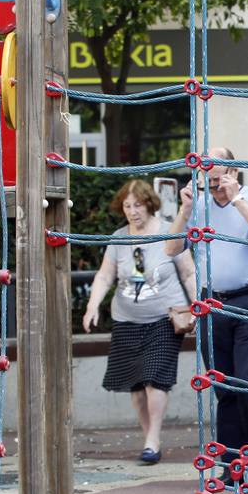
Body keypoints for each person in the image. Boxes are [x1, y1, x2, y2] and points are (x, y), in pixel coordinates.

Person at [164, 147, 248, 474]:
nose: (214, 186)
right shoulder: (198, 207)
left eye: (219, 178)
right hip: (212, 303)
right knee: (223, 386)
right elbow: (171, 248)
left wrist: (237, 200)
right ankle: (233, 466)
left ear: (234, 173)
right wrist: (185, 211)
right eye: (209, 179)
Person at [84, 179, 196, 465]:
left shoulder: (170, 231)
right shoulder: (118, 237)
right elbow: (105, 275)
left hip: (163, 318)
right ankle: (150, 442)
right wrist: (92, 305)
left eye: (137, 205)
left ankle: (153, 439)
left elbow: (188, 273)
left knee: (154, 380)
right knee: (136, 387)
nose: (132, 211)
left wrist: (198, 306)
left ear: (150, 204)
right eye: (127, 206)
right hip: (126, 320)